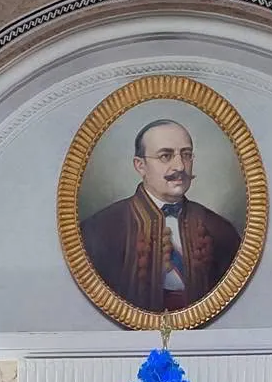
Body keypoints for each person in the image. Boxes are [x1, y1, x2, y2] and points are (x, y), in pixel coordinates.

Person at [80, 119, 241, 312]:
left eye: (186, 155)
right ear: (140, 166)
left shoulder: (220, 230)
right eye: (165, 156)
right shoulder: (99, 230)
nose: (180, 166)